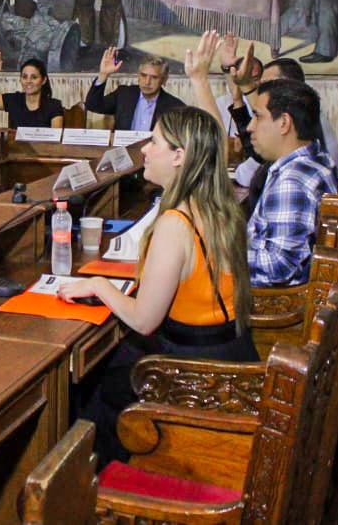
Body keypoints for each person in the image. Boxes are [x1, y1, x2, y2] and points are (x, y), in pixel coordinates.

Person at [58, 104, 257, 465]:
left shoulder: (175, 222)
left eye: (155, 142)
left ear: (179, 156)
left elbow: (144, 320)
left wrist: (100, 285)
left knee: (94, 386)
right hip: (233, 357)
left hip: (197, 375)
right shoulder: (219, 207)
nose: (145, 150)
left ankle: (86, 482)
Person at [185, 31, 336, 286]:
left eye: (258, 117)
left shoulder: (293, 179)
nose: (250, 127)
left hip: (264, 301)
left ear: (284, 123)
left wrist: (210, 254)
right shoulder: (311, 156)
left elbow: (277, 267)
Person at [85, 48, 184, 131]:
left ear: (164, 80)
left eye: (154, 77)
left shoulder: (175, 107)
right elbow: (92, 105)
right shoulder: (124, 94)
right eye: (143, 75)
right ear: (138, 76)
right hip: (124, 148)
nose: (147, 82)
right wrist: (103, 74)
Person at [0, 50, 64, 129]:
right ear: (20, 79)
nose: (28, 81)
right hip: (15, 146)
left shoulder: (54, 106)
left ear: (43, 80)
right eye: (24, 77)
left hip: (43, 146)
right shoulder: (14, 100)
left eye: (34, 77)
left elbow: (55, 139)